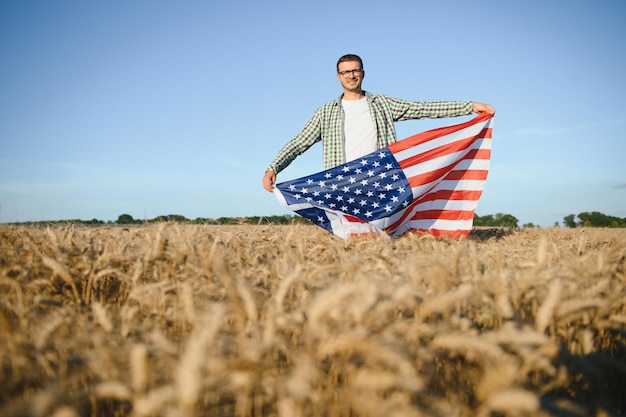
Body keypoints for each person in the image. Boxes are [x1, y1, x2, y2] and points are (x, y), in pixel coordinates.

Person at [263, 54, 495, 192]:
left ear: (363, 73)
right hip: (342, 181)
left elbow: (422, 108)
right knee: (348, 237)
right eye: (345, 72)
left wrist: (469, 106)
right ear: (338, 77)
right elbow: (299, 142)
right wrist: (273, 167)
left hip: (381, 176)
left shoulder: (382, 104)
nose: (351, 75)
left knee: (381, 234)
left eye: (355, 70)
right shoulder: (326, 112)